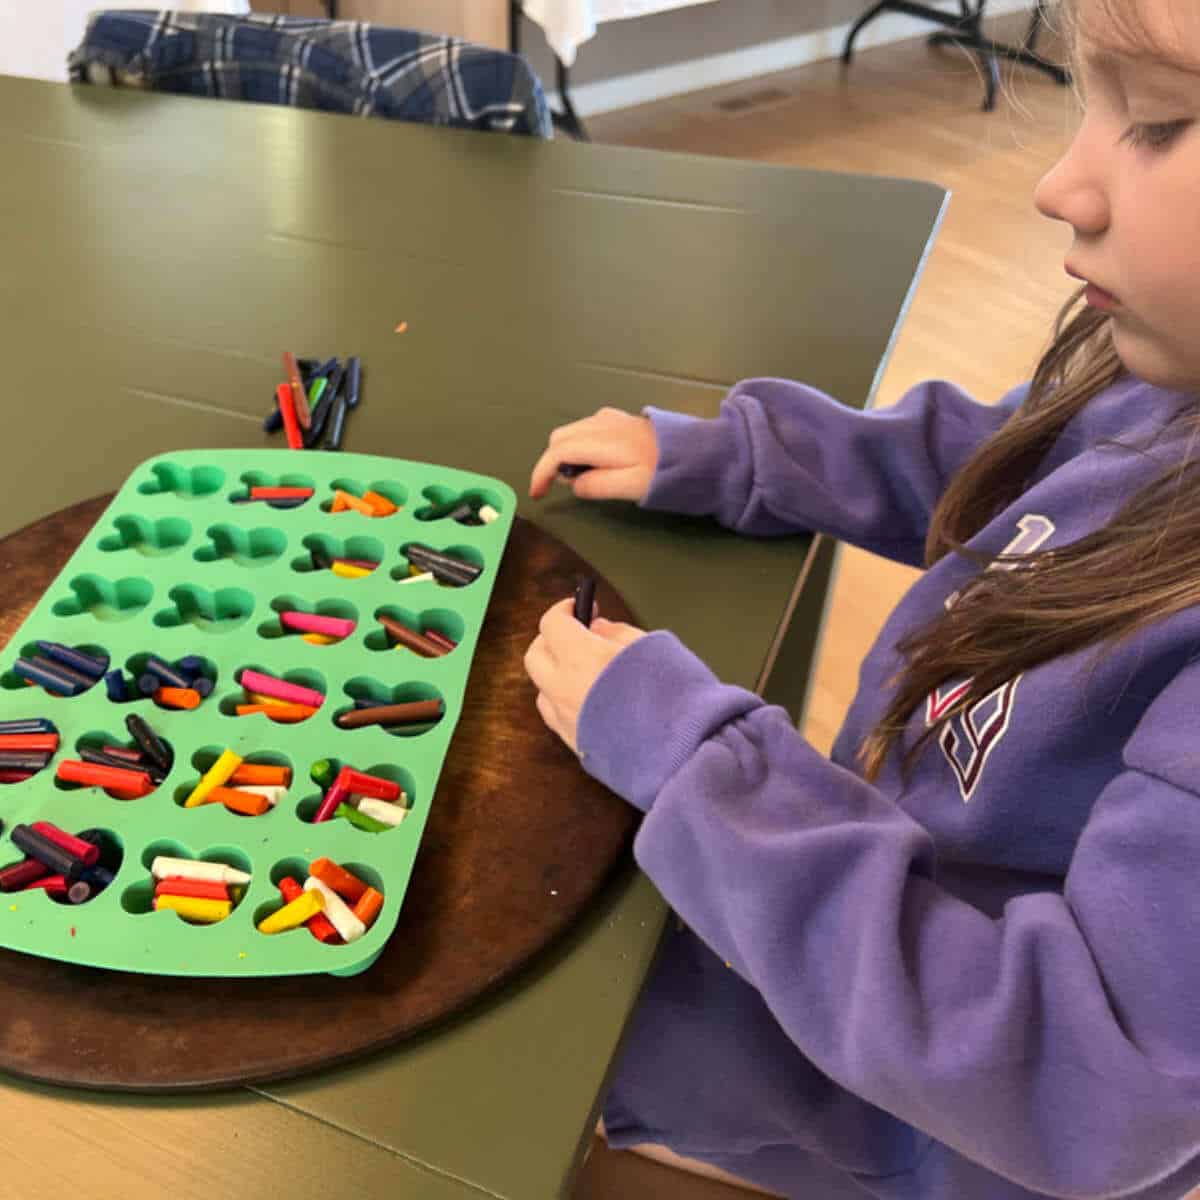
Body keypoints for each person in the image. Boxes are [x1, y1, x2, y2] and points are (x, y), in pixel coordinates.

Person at [522, 1, 1200, 1196]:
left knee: (517, 1043)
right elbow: (1011, 461)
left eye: (1154, 122)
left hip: (920, 1115)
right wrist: (751, 457)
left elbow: (1084, 1088)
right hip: (850, 923)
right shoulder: (1168, 383)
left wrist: (700, 764)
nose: (1060, 184)